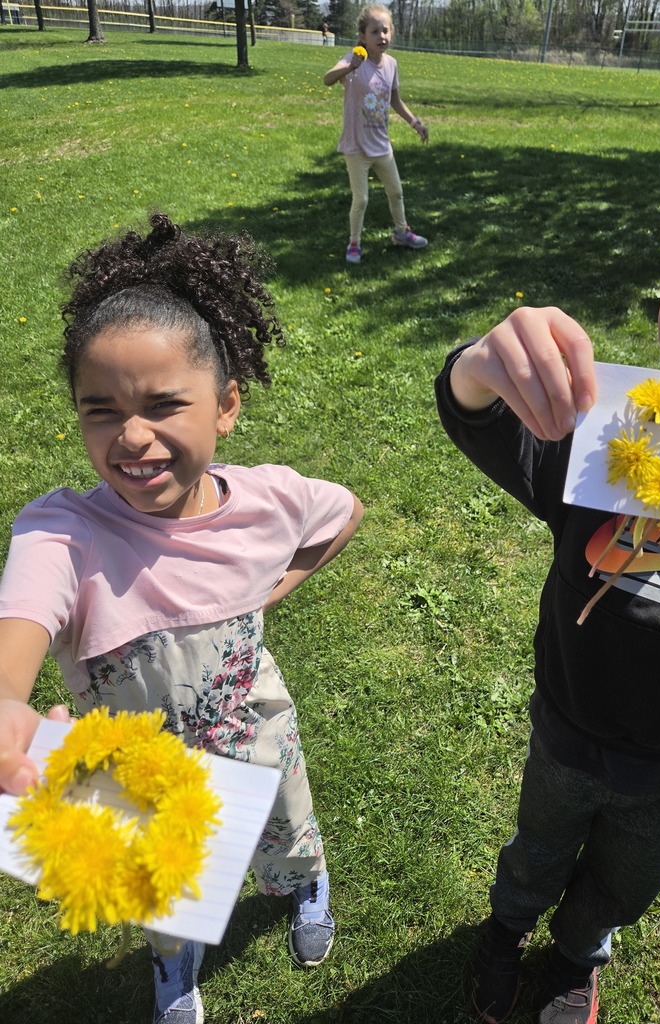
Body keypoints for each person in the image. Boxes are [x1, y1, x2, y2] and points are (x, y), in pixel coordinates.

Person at [0, 213, 364, 1024]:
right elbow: (24, 606)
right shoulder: (66, 530)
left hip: (256, 728)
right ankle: (175, 966)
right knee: (164, 887)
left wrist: (275, 588)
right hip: (133, 772)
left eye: (165, 404)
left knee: (286, 830)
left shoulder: (270, 499)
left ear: (227, 405)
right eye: (101, 410)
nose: (133, 436)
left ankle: (305, 885)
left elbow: (343, 513)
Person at [435, 190, 660, 1024]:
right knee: (537, 849)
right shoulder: (610, 444)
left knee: (623, 883)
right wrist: (477, 367)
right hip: (571, 727)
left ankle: (580, 955)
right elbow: (480, 422)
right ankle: (507, 930)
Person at [323, 4, 429, 265]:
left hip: (381, 144)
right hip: (356, 146)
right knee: (361, 200)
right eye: (375, 31)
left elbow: (395, 100)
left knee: (396, 192)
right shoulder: (353, 59)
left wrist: (415, 122)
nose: (382, 36)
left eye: (386, 30)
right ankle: (354, 243)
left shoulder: (391, 64)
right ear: (362, 36)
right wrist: (349, 68)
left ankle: (402, 232)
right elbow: (327, 79)